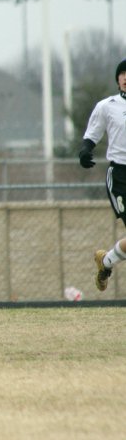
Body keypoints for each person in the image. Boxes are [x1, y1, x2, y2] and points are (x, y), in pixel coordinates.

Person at [81, 58, 126, 292]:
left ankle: (106, 261)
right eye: (123, 73)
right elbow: (93, 133)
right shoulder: (107, 106)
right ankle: (106, 261)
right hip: (120, 176)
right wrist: (85, 150)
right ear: (118, 79)